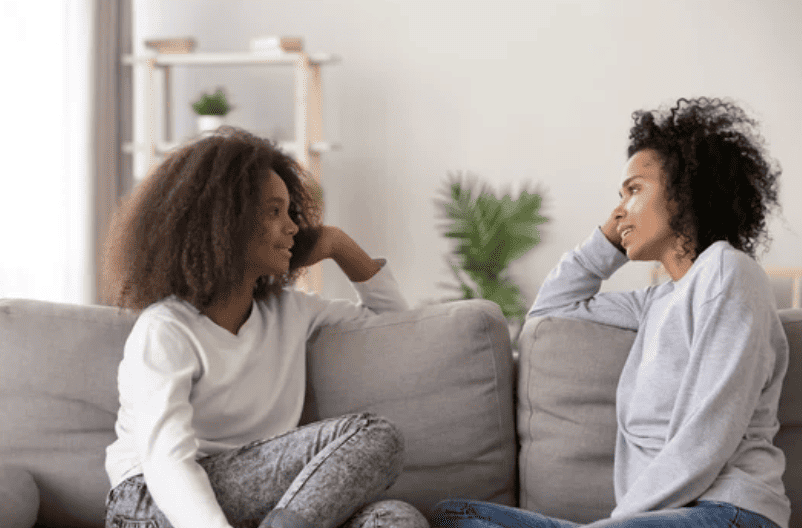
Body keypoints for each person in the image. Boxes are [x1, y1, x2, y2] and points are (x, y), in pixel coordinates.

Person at [432, 97, 789, 528]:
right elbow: (553, 308)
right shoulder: (656, 302)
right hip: (650, 519)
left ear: (685, 193)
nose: (619, 210)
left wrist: (618, 521)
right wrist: (609, 237)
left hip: (727, 512)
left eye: (635, 189)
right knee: (457, 515)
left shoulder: (729, 272)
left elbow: (708, 435)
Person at [102, 127, 429, 528]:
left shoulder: (291, 311)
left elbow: (395, 326)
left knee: (396, 519)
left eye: (290, 212)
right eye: (274, 211)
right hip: (152, 501)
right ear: (223, 222)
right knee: (376, 435)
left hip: (262, 502)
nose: (293, 226)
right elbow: (168, 463)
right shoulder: (165, 329)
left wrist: (339, 246)